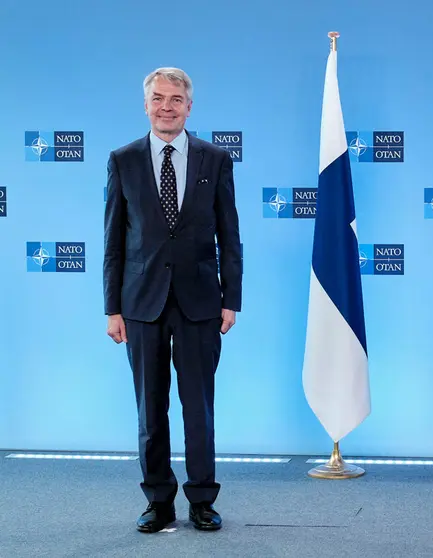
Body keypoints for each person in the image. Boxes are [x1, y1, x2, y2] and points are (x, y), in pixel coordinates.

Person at [103, 67, 242, 533]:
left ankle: (203, 499)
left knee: (199, 407)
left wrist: (232, 298)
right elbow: (113, 243)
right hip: (140, 304)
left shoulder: (215, 159)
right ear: (146, 104)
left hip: (201, 302)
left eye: (176, 99)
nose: (167, 106)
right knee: (150, 408)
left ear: (189, 106)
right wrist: (111, 307)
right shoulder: (122, 160)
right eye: (158, 98)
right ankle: (158, 501)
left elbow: (230, 236)